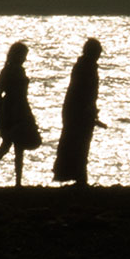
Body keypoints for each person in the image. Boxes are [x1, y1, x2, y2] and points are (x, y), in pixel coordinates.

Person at [0, 42, 42, 187]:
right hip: (11, 109)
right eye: (23, 56)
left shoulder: (19, 70)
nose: (24, 59)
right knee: (10, 143)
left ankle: (16, 180)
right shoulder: (8, 71)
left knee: (16, 144)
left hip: (22, 107)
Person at [52, 38, 106, 186]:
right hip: (78, 110)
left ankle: (78, 175)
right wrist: (89, 110)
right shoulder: (86, 67)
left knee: (78, 142)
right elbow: (84, 92)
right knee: (79, 143)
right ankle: (79, 177)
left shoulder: (83, 65)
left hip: (76, 109)